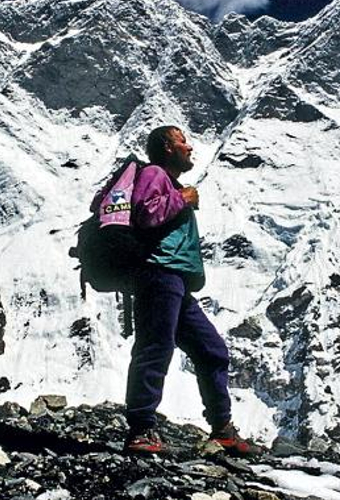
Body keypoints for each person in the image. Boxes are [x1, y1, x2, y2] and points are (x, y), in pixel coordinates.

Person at [123, 125, 258, 455]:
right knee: (155, 347)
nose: (190, 147)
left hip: (176, 280)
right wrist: (181, 198)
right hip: (160, 272)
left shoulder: (168, 181)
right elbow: (145, 213)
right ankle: (141, 430)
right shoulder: (154, 173)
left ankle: (222, 429)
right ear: (168, 148)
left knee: (212, 350)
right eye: (182, 141)